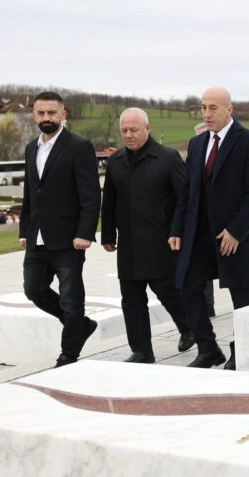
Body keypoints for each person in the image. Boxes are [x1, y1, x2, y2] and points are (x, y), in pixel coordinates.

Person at [169, 86, 249, 371]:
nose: (207, 113)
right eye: (203, 107)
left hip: (234, 235)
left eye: (213, 108)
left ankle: (244, 348)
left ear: (229, 109)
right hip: (199, 234)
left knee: (242, 296)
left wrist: (237, 231)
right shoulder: (198, 143)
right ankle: (208, 348)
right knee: (188, 287)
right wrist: (177, 228)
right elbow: (188, 191)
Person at [101, 108, 195, 363]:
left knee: (167, 291)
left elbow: (184, 200)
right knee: (131, 299)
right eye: (124, 131)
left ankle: (189, 328)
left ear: (147, 128)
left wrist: (179, 232)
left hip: (161, 241)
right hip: (129, 242)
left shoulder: (168, 158)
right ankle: (141, 350)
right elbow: (108, 201)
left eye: (134, 130)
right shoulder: (116, 161)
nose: (128, 135)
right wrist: (108, 234)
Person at [19, 91, 101, 368]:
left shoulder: (79, 146)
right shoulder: (31, 148)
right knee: (33, 290)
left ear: (63, 114)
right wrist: (23, 231)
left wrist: (85, 233)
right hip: (36, 237)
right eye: (41, 113)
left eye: (51, 113)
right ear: (34, 115)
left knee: (71, 298)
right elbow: (30, 194)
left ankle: (69, 354)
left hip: (69, 239)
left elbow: (91, 196)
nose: (46, 118)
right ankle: (81, 326)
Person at [192, 121, 217, 318]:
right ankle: (207, 308)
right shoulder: (195, 149)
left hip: (227, 224)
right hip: (201, 223)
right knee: (202, 273)